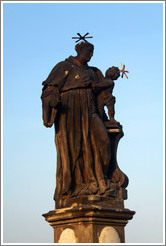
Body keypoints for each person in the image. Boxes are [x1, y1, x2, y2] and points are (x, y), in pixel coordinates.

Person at [41, 41, 115, 203]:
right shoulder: (64, 66)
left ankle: (100, 179)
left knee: (103, 140)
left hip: (90, 109)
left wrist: (110, 80)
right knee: (75, 147)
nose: (91, 55)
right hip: (70, 110)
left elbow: (104, 91)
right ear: (80, 51)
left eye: (92, 53)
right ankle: (78, 185)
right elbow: (50, 88)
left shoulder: (93, 71)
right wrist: (52, 98)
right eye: (88, 52)